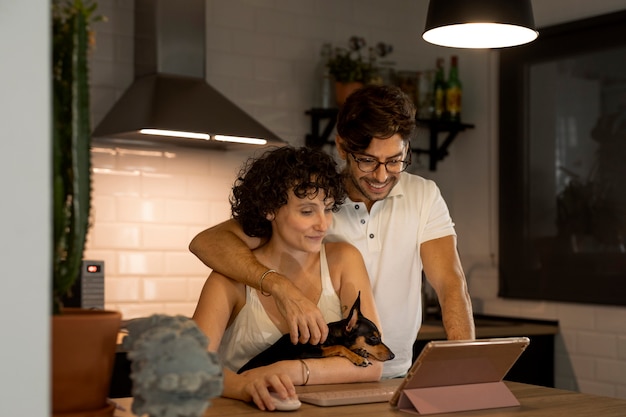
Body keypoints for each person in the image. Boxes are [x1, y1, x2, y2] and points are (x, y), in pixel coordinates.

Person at [190, 85, 475, 380]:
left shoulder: (423, 195)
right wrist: (281, 286)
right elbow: (207, 242)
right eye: (367, 160)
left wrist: (467, 366)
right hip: (328, 372)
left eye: (394, 161)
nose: (381, 175)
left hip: (389, 372)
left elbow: (450, 284)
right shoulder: (312, 197)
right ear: (342, 147)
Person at [192, 146, 385, 411]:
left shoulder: (344, 260)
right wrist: (245, 387)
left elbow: (372, 364)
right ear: (269, 209)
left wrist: (287, 371)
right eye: (307, 211)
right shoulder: (229, 278)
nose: (323, 224)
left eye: (328, 209)